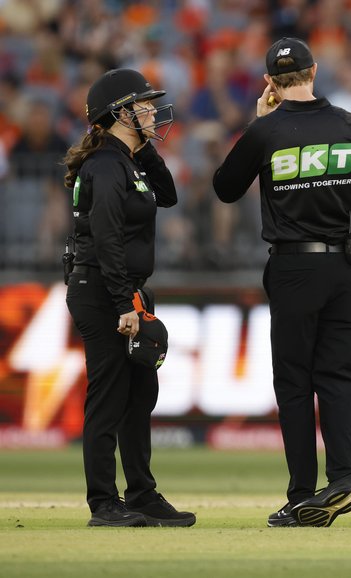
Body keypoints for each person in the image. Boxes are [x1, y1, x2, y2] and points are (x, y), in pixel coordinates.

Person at [213, 38, 351, 528]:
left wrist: (258, 123)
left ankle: (301, 495)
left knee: (294, 383)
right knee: (336, 376)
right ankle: (343, 479)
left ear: (270, 83)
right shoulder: (349, 126)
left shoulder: (266, 131)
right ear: (314, 71)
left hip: (294, 267)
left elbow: (225, 188)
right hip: (347, 266)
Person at [63, 68, 196, 527]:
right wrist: (124, 304)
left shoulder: (125, 160)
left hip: (126, 291)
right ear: (120, 112)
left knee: (141, 395)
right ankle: (103, 503)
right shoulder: (104, 165)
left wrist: (143, 146)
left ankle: (142, 494)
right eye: (142, 104)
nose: (153, 111)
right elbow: (105, 238)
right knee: (110, 395)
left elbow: (169, 194)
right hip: (104, 292)